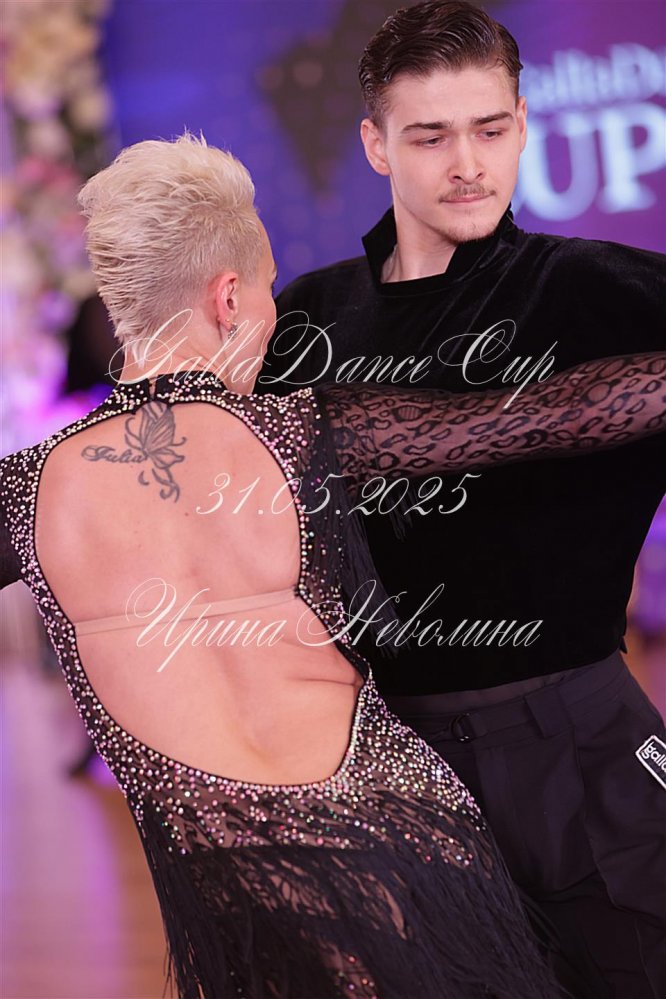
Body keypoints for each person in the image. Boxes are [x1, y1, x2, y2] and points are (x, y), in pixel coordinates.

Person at [0, 134, 663, 999]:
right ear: (228, 297)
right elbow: (548, 416)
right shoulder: (305, 430)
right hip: (416, 858)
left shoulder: (26, 493)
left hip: (250, 896)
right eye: (269, 289)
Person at [257, 3, 666, 997]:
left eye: (489, 129)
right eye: (431, 137)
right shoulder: (306, 317)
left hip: (582, 752)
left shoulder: (598, 290)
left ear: (522, 125)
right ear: (376, 145)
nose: (468, 164)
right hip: (391, 769)